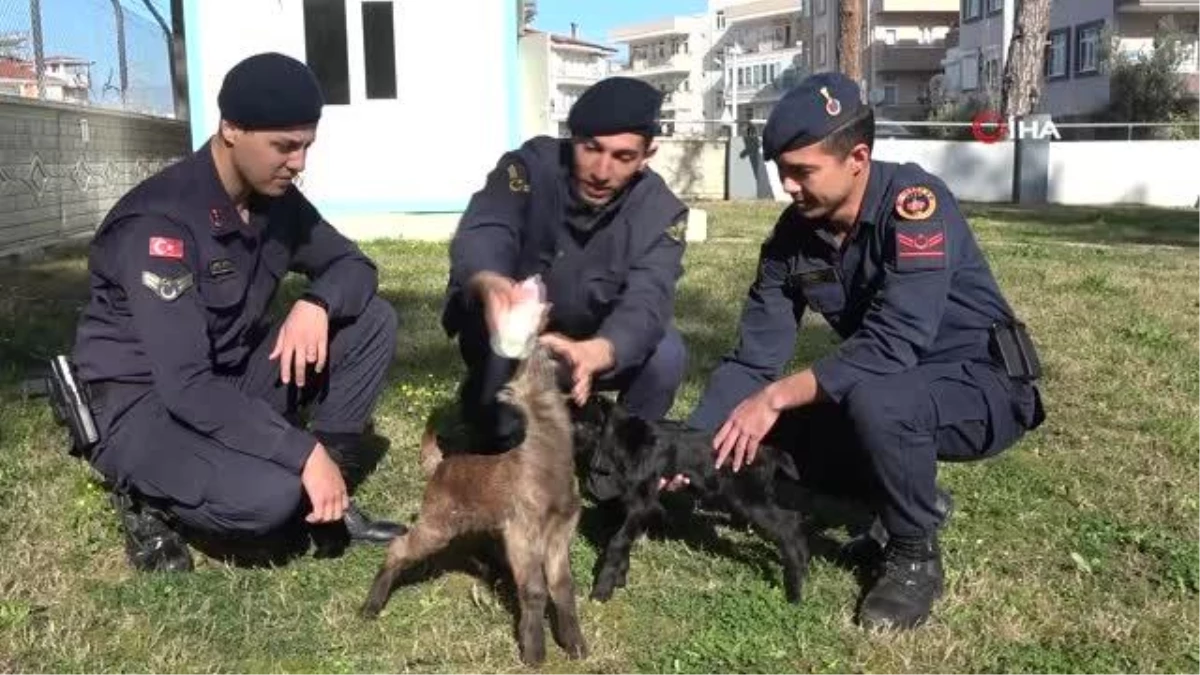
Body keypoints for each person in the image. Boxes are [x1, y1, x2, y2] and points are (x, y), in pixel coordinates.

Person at [682, 72, 1046, 630]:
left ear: (857, 157)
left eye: (802, 172)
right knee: (753, 428)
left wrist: (777, 396)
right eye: (782, 170)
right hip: (892, 387)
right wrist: (691, 443)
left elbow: (896, 339)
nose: (788, 186)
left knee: (872, 399)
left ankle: (912, 554)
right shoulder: (793, 237)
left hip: (983, 388)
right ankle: (895, 499)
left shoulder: (915, 204)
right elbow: (755, 357)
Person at [70, 52, 404, 572]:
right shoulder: (162, 223)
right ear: (231, 129)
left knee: (371, 319)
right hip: (144, 403)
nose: (299, 163)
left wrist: (316, 304)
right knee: (270, 500)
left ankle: (327, 491)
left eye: (306, 146)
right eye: (284, 146)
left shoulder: (276, 202)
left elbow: (354, 266)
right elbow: (185, 385)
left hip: (225, 379)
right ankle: (143, 495)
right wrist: (300, 452)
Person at [440, 76, 690, 451]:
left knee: (666, 353)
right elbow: (488, 226)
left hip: (592, 346)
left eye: (623, 157)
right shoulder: (529, 167)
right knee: (497, 445)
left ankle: (616, 463)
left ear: (646, 156)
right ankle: (493, 418)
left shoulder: (661, 212)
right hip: (511, 335)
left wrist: (600, 351)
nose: (602, 171)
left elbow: (647, 300)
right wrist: (489, 282)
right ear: (573, 138)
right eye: (591, 148)